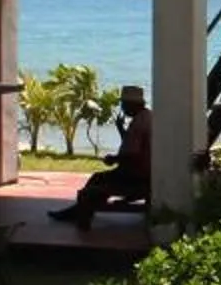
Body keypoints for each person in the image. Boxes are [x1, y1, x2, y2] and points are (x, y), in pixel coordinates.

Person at [59, 86, 153, 223]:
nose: (122, 107)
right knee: (98, 180)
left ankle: (81, 213)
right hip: (143, 173)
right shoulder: (147, 117)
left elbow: (133, 155)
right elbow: (134, 146)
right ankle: (80, 210)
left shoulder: (138, 123)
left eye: (123, 104)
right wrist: (121, 130)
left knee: (97, 180)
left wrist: (113, 159)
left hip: (136, 176)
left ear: (131, 104)